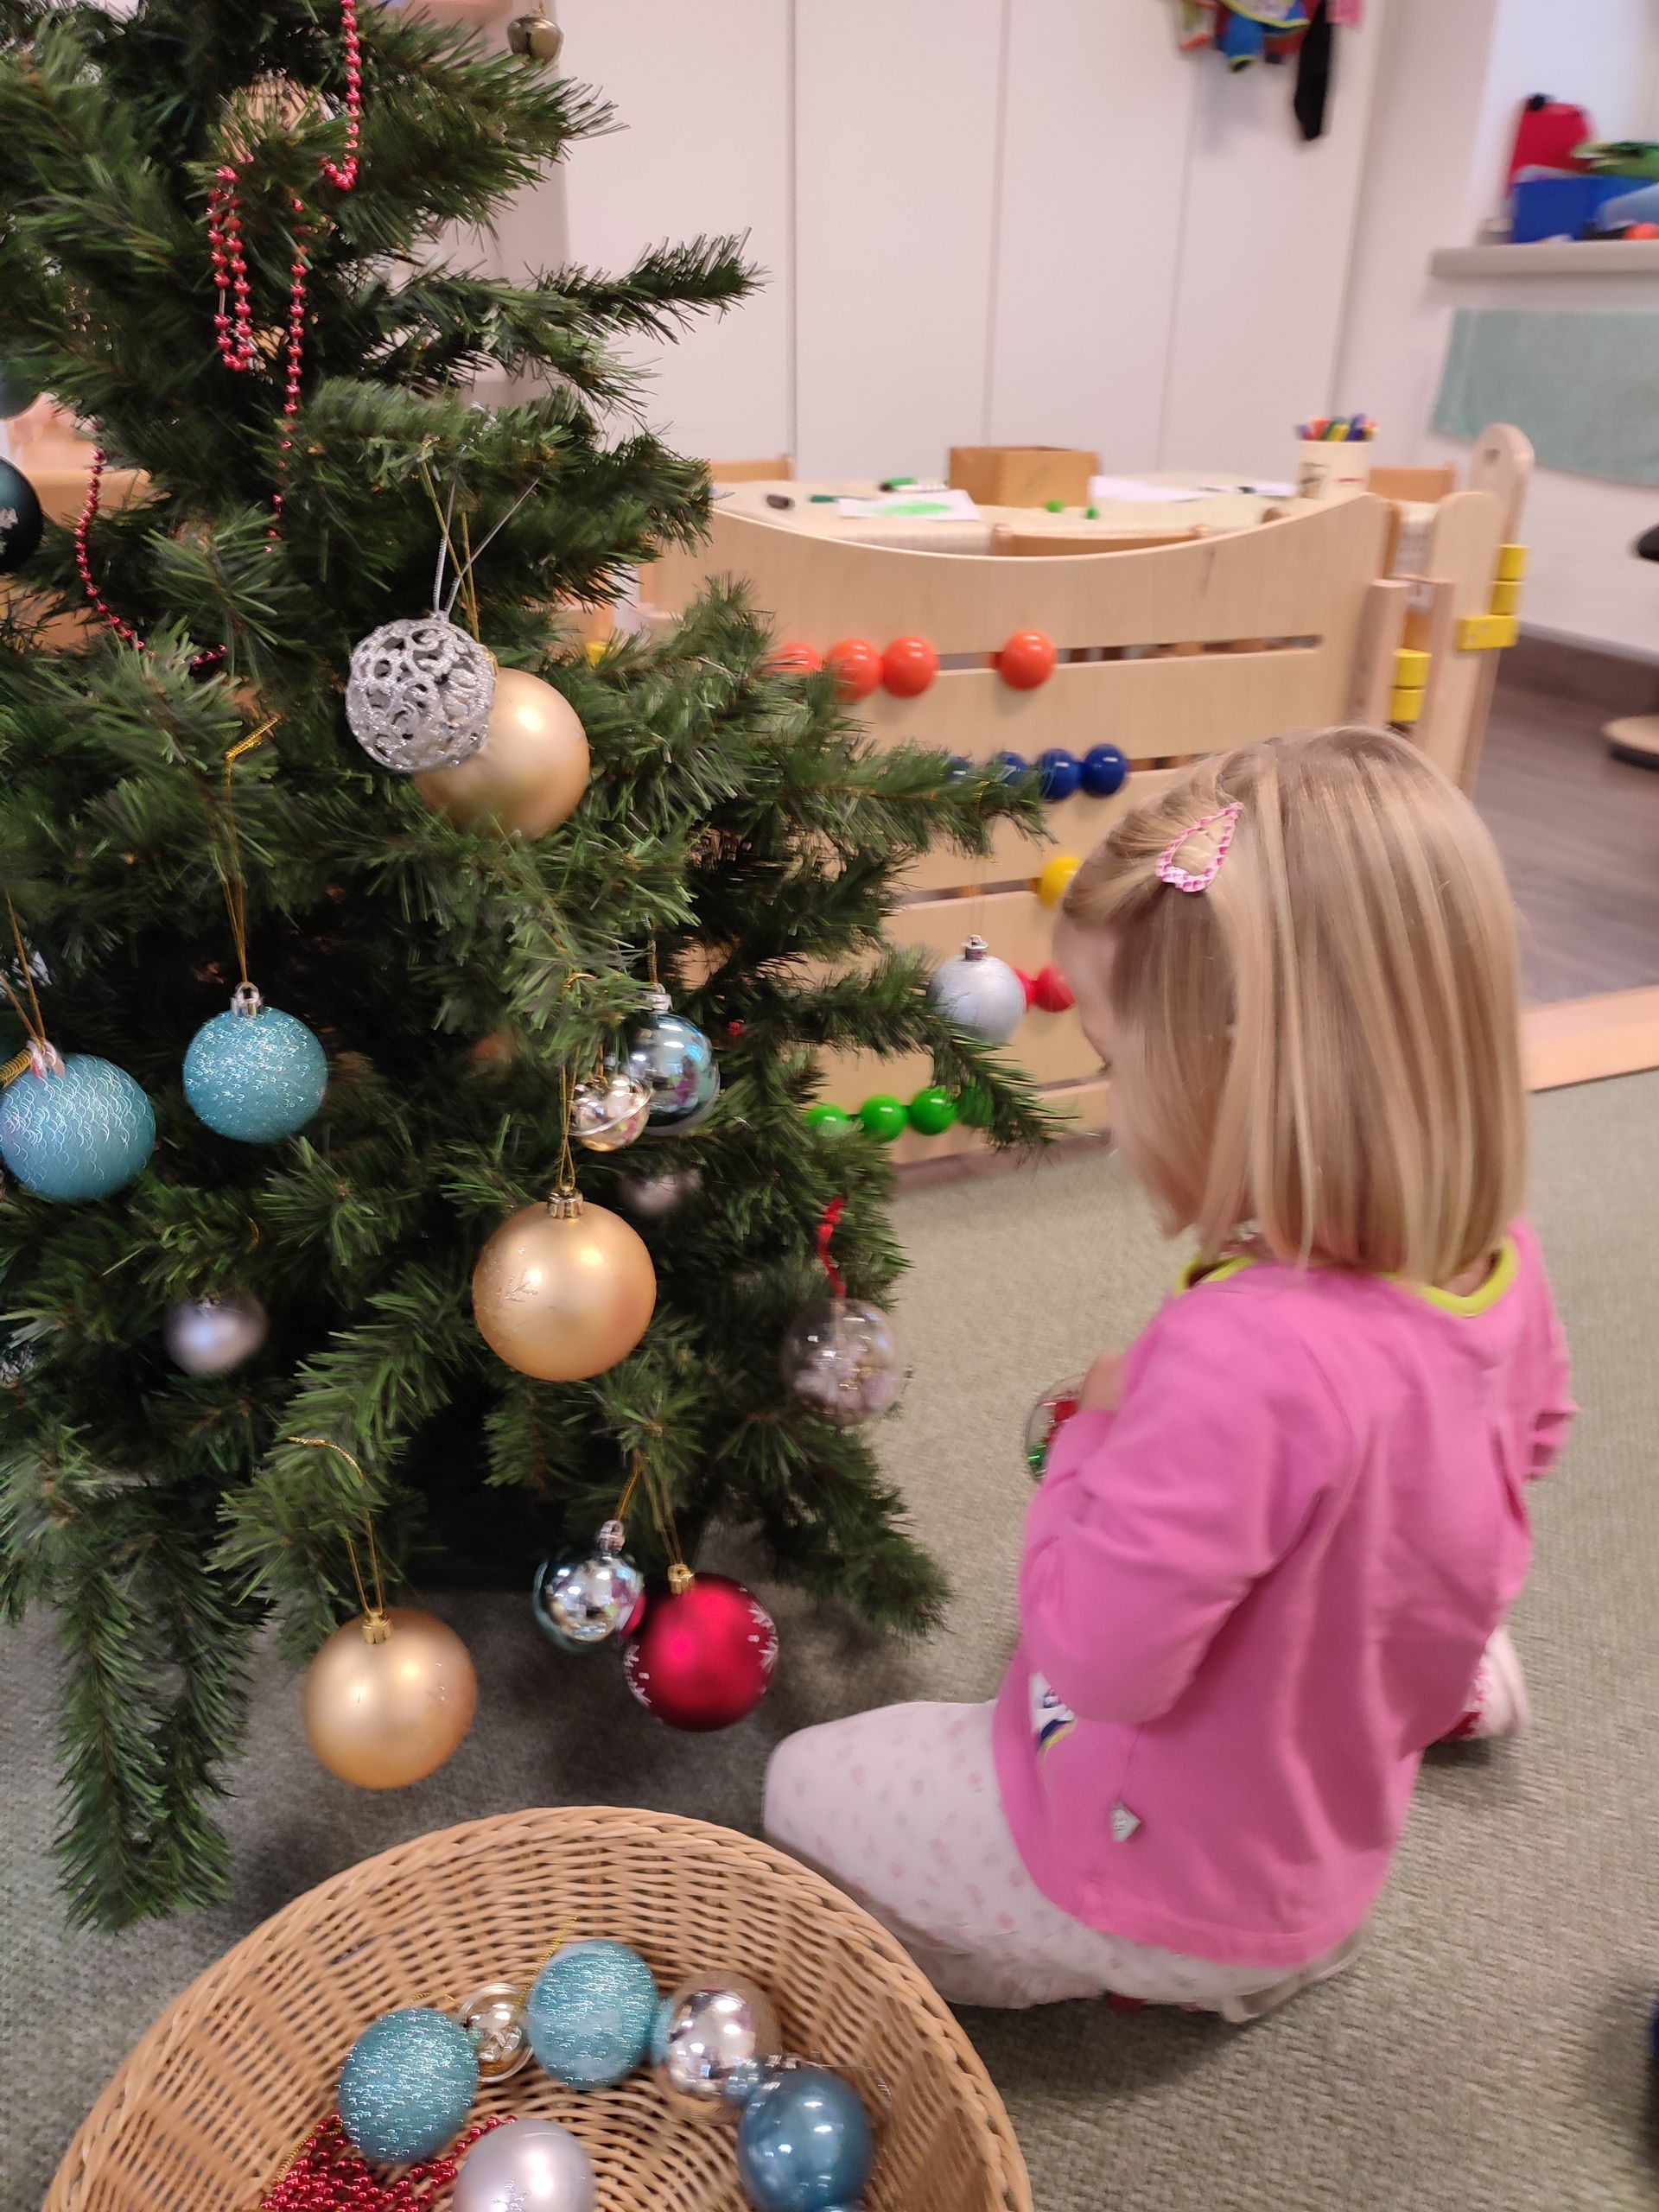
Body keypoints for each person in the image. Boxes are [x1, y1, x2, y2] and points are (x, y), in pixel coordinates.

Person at [764, 726, 1573, 2019]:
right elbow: (1528, 1441)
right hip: (1336, 1830)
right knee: (1385, 1549)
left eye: (1114, 1061)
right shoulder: (1497, 1257)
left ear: (1240, 1066)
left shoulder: (1246, 1356)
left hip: (1178, 1883)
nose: (1110, 1103)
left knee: (804, 1783)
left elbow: (1097, 1665)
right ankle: (1441, 1675)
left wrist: (1094, 1439)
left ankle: (1106, 1955)